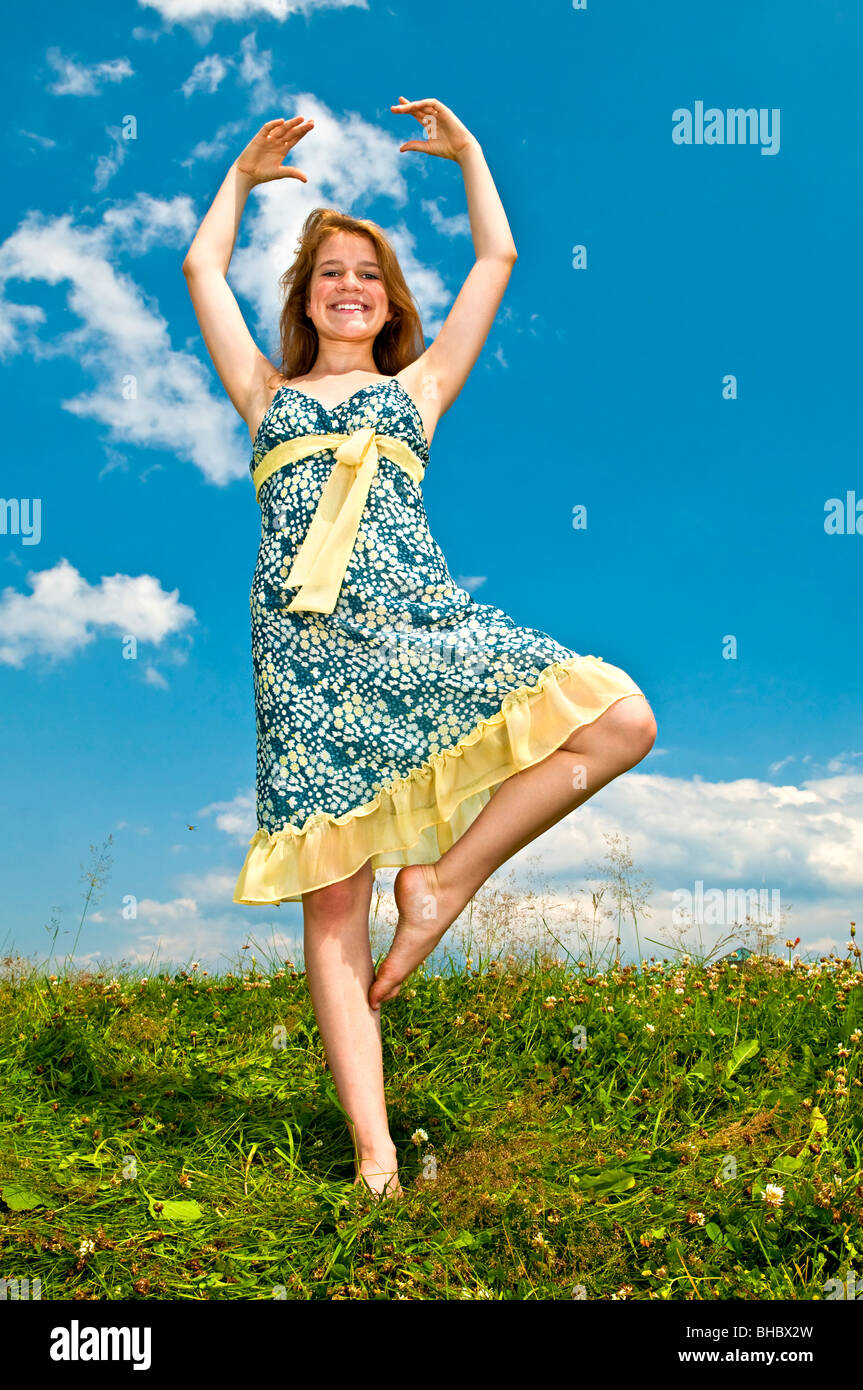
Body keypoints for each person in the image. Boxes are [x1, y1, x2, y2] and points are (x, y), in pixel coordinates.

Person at [182, 98, 657, 1199]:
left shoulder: (417, 389)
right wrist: (241, 184)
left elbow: (496, 254)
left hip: (417, 621)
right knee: (333, 900)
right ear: (303, 299)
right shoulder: (263, 395)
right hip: (305, 657)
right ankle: (375, 1153)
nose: (348, 286)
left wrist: (474, 156)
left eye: (367, 275)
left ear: (389, 302)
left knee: (620, 715)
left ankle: (443, 881)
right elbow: (202, 271)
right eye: (326, 274)